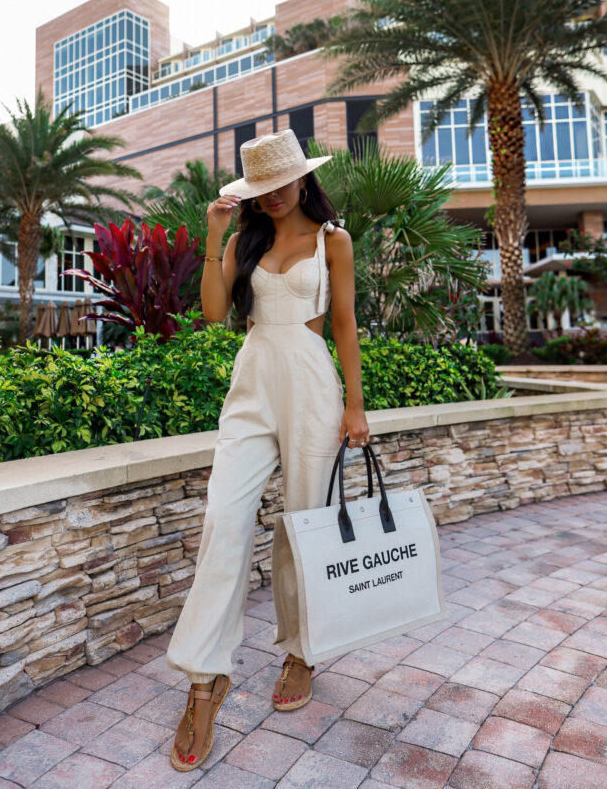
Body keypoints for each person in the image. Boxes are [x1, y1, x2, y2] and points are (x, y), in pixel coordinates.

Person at [167, 129, 370, 772]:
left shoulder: (333, 239)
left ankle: (301, 651)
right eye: (263, 188)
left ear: (303, 179)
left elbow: (343, 323)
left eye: (282, 184)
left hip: (311, 381)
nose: (275, 197)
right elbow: (213, 313)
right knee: (223, 520)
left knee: (305, 524)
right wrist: (212, 236)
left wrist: (356, 405)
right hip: (252, 381)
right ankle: (205, 679)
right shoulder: (242, 239)